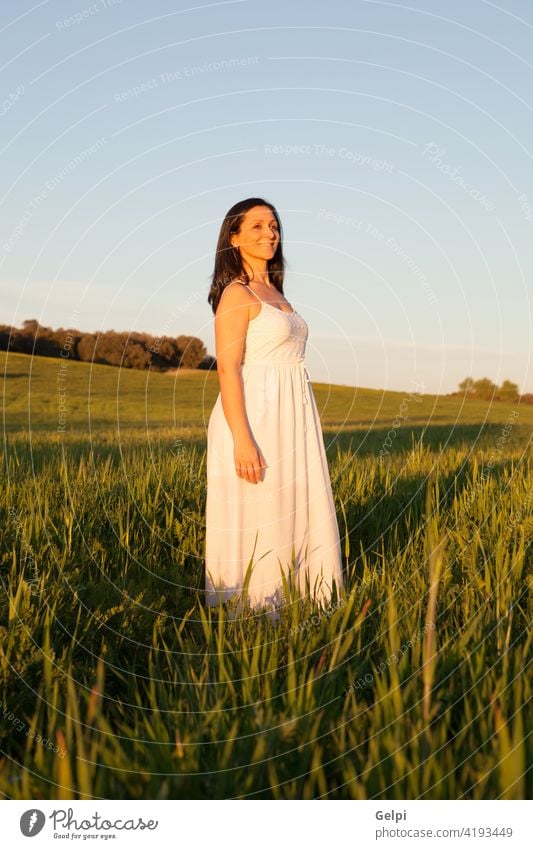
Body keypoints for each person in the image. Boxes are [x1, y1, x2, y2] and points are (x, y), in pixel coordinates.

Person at [205, 197, 344, 617]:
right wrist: (242, 441)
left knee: (296, 500)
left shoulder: (275, 292)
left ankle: (305, 597)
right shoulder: (236, 293)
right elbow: (228, 369)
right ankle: (257, 609)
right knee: (261, 506)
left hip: (292, 411)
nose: (270, 234)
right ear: (234, 237)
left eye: (274, 226)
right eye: (257, 227)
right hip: (256, 414)